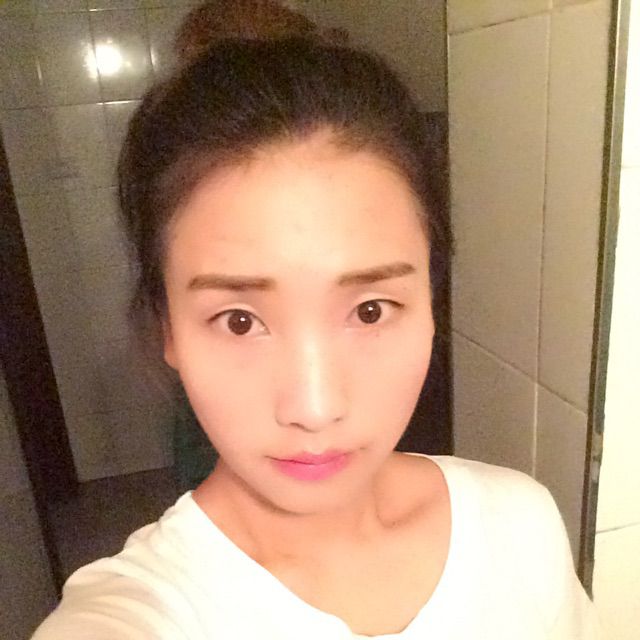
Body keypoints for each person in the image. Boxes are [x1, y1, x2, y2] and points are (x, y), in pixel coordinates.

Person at [31, 34, 600, 640]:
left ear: (431, 302)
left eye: (371, 311)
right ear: (167, 325)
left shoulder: (519, 527)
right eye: (240, 321)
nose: (314, 407)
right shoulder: (141, 611)